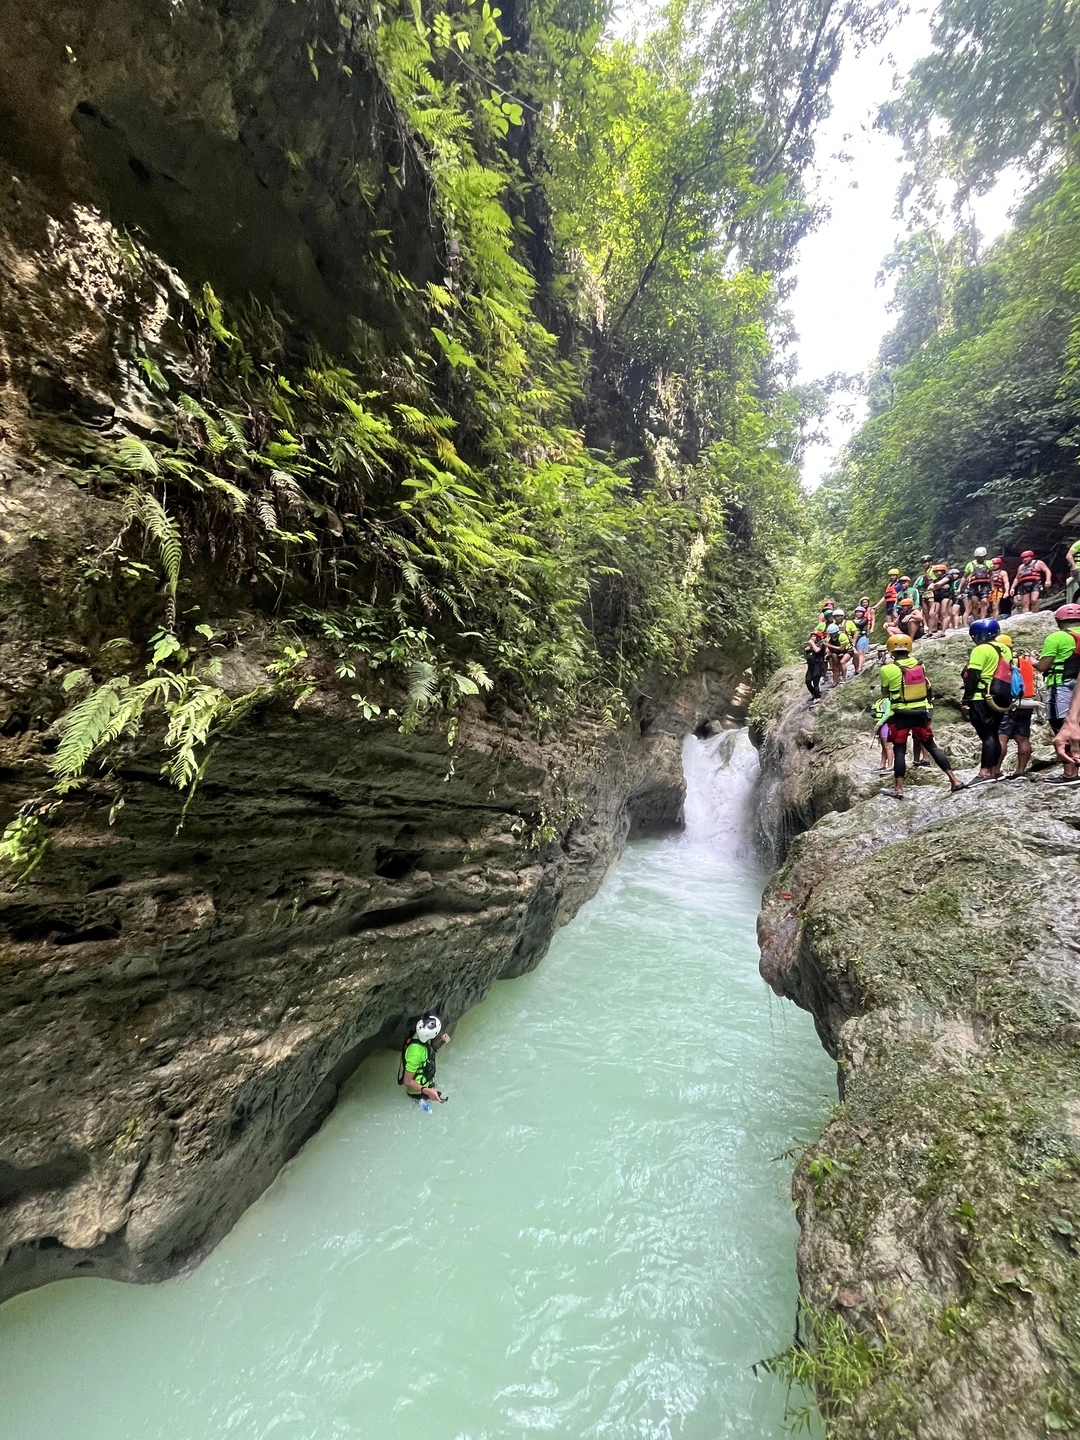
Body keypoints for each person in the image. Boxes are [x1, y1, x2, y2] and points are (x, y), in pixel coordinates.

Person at [878, 634, 964, 799]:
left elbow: (885, 693)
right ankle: (954, 780)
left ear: (891, 651)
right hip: (921, 712)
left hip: (900, 714)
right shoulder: (919, 665)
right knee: (931, 746)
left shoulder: (887, 669)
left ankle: (899, 788)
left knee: (900, 750)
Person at [960, 618, 1012, 783]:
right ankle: (995, 771)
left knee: (987, 736)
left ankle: (984, 773)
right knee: (994, 734)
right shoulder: (1005, 648)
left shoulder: (980, 650)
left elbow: (973, 676)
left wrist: (966, 700)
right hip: (1002, 696)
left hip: (982, 697)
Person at [1035, 602, 1080, 783]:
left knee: (1060, 727)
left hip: (1060, 686)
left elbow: (1043, 666)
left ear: (1059, 621)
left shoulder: (1056, 638)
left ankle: (1070, 773)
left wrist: (1032, 660)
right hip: (1077, 687)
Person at [998, 636, 1037, 780]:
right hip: (1026, 702)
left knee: (1001, 738)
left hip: (1008, 703)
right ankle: (1020, 771)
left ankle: (995, 770)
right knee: (1023, 738)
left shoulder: (1002, 661)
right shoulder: (1023, 660)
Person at [399, 1014, 451, 1102]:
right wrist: (427, 1091)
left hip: (427, 1082)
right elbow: (407, 1081)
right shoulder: (415, 1054)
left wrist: (440, 1037)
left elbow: (429, 1043)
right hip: (418, 1093)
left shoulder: (421, 1037)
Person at [964, 548, 994, 621]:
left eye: (981, 557)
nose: (980, 558)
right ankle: (976, 620)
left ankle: (983, 619)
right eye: (978, 557)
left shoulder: (989, 563)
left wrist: (992, 586)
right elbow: (964, 577)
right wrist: (959, 588)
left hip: (984, 585)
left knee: (984, 602)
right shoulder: (970, 564)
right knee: (974, 604)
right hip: (973, 586)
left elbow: (991, 575)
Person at [871, 693, 893, 775]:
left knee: (888, 746)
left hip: (886, 725)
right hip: (881, 725)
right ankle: (882, 765)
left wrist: (879, 723)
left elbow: (887, 713)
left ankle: (890, 766)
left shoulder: (887, 701)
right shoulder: (881, 700)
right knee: (884, 746)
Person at [927, 563, 952, 633]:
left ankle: (943, 632)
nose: (936, 573)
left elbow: (938, 584)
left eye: (938, 571)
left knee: (944, 613)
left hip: (946, 596)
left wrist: (937, 586)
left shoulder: (948, 576)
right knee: (932, 614)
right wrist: (941, 586)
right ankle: (930, 632)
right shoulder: (935, 580)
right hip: (937, 597)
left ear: (943, 571)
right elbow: (930, 588)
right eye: (935, 572)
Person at [824, 622, 851, 686]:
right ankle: (835, 681)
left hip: (847, 650)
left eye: (832, 633)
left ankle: (844, 678)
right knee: (835, 666)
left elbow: (841, 648)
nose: (831, 635)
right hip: (837, 652)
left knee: (842, 662)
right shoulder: (829, 639)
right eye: (830, 634)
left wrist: (830, 645)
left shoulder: (842, 636)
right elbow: (830, 649)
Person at [804, 629, 826, 701]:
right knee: (808, 681)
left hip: (818, 665)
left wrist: (812, 645)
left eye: (814, 636)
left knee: (815, 682)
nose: (812, 638)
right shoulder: (811, 646)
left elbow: (817, 650)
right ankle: (814, 694)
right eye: (812, 636)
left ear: (818, 637)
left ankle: (817, 697)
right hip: (811, 666)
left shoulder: (821, 644)